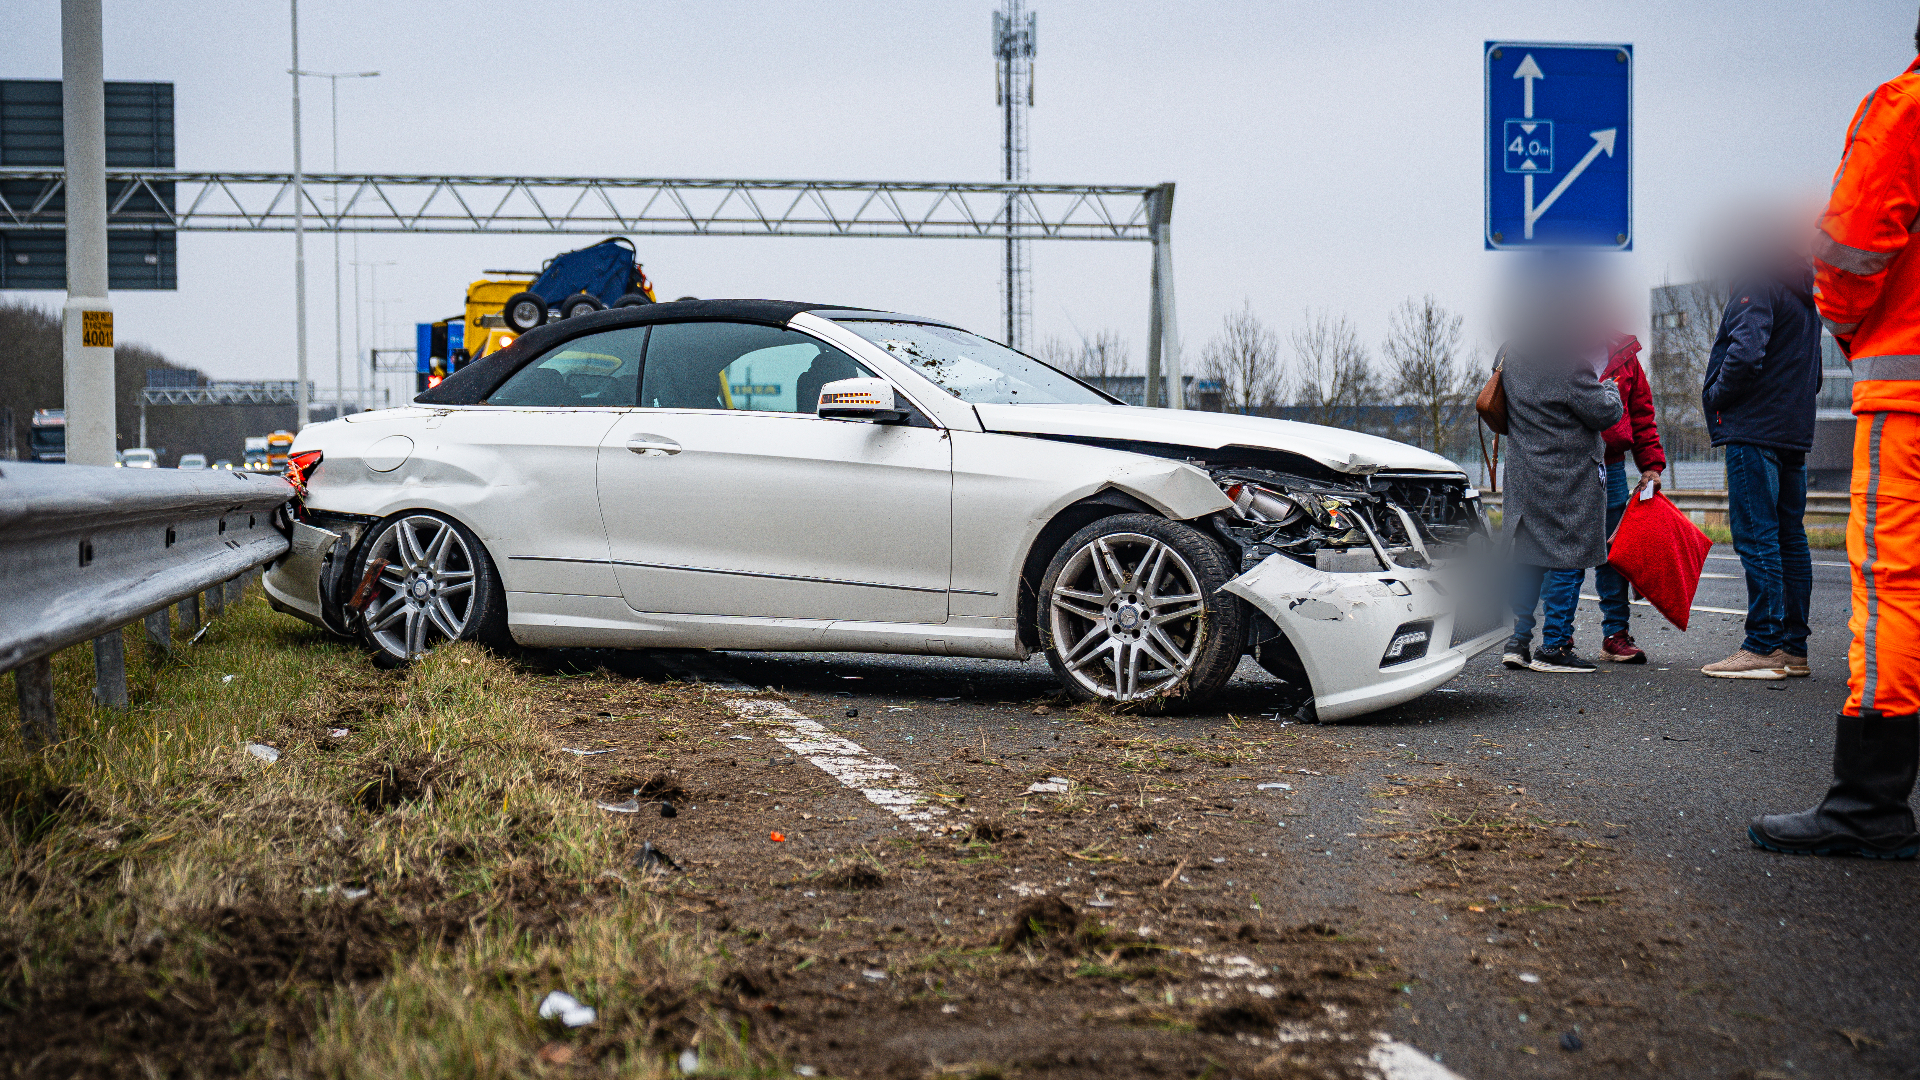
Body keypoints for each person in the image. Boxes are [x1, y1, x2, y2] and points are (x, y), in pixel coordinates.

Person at [1749, 17, 1920, 859]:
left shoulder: (1907, 108)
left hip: (1910, 399)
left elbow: (1849, 252)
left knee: (1896, 584)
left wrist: (1855, 333)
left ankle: (1868, 802)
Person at [1697, 250, 1823, 680]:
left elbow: (1746, 353)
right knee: (1790, 536)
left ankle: (1763, 646)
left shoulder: (1757, 278)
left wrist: (1715, 395)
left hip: (1754, 429)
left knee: (1758, 535)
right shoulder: (1806, 295)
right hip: (1791, 431)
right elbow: (1815, 375)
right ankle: (1793, 648)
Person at [1499, 339, 1625, 674]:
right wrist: (1610, 388)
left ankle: (1518, 642)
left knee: (1528, 555)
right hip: (1566, 477)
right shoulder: (1569, 361)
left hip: (1524, 473)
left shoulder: (1510, 353)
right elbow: (1604, 413)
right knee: (1570, 556)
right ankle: (1553, 646)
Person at [1592, 333, 1667, 663]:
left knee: (1614, 553)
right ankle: (1557, 638)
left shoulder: (1623, 355)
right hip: (1568, 467)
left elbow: (1641, 414)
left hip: (1611, 466)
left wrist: (1651, 465)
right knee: (1562, 552)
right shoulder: (1558, 348)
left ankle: (1615, 635)